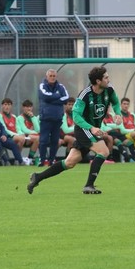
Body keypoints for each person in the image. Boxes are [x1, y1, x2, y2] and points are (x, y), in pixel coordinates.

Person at [27, 66, 121, 195]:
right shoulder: (85, 95)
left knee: (69, 162)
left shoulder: (109, 90)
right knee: (103, 151)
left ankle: (37, 177)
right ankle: (89, 186)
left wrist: (118, 113)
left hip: (91, 130)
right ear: (98, 81)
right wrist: (92, 128)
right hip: (83, 129)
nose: (108, 79)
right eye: (106, 77)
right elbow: (76, 117)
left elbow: (115, 102)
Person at [38, 69, 69, 166]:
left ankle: (51, 160)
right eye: (50, 76)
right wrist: (57, 96)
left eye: (54, 76)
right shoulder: (42, 86)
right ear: (47, 76)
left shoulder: (61, 86)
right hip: (46, 118)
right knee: (43, 140)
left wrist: (51, 99)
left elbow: (66, 98)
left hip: (57, 118)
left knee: (55, 141)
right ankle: (42, 160)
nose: (52, 77)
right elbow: (44, 96)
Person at [0, 97, 38, 164]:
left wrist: (20, 133)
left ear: (11, 106)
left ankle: (27, 159)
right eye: (5, 104)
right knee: (21, 139)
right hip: (8, 136)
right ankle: (19, 159)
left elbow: (18, 128)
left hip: (17, 136)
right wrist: (17, 134)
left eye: (9, 104)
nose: (7, 106)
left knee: (37, 139)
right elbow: (4, 129)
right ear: (2, 106)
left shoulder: (14, 116)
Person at [16, 99, 40, 164]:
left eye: (30, 107)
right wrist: (35, 132)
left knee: (38, 139)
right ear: (23, 108)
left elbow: (38, 129)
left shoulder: (33, 117)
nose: (29, 109)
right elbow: (24, 130)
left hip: (31, 137)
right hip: (23, 136)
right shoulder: (20, 118)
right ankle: (18, 159)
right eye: (27, 107)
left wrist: (32, 117)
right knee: (37, 138)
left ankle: (30, 159)